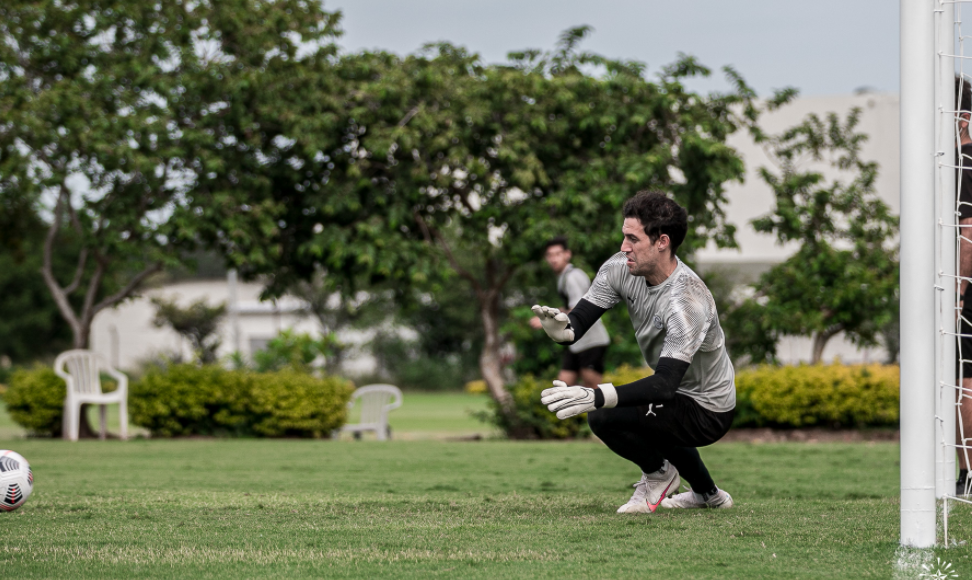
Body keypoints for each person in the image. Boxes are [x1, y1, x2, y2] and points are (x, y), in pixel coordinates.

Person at [532, 191, 735, 513]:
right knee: (656, 418)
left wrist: (596, 397)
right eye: (623, 236)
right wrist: (562, 332)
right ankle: (709, 495)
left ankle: (659, 475)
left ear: (662, 242)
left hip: (708, 409)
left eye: (632, 238)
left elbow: (665, 385)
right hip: (675, 393)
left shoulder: (688, 301)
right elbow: (577, 324)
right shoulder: (619, 268)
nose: (623, 246)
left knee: (605, 415)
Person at [529, 237, 610, 390]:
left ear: (567, 254)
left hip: (591, 341)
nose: (554, 259)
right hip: (576, 343)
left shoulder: (573, 277)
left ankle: (618, 410)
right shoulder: (564, 277)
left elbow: (579, 311)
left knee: (593, 390)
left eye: (558, 254)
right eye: (550, 255)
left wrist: (546, 322)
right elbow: (570, 306)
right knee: (563, 386)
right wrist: (549, 315)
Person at [956, 74, 972, 496]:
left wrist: (956, 295)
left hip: (966, 290)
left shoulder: (964, 164)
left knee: (964, 380)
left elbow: (969, 232)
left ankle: (968, 473)